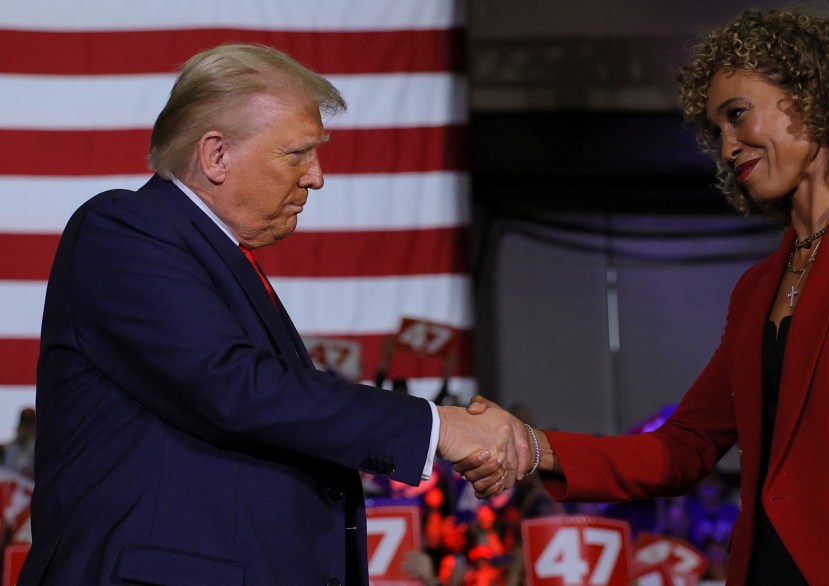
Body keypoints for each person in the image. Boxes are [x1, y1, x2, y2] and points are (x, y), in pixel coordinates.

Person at [461, 9, 829, 585]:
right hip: (766, 567)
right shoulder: (757, 287)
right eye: (716, 131)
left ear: (812, 99)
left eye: (737, 116)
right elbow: (683, 447)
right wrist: (532, 445)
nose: (727, 146)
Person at [20, 44, 520, 586]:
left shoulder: (217, 257)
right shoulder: (124, 229)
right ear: (216, 156)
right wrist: (432, 426)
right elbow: (233, 387)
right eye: (298, 152)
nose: (317, 176)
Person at [0, 408, 35, 479]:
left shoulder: (40, 451)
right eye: (24, 425)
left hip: (29, 487)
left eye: (29, 426)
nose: (26, 430)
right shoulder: (5, 449)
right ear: (19, 427)